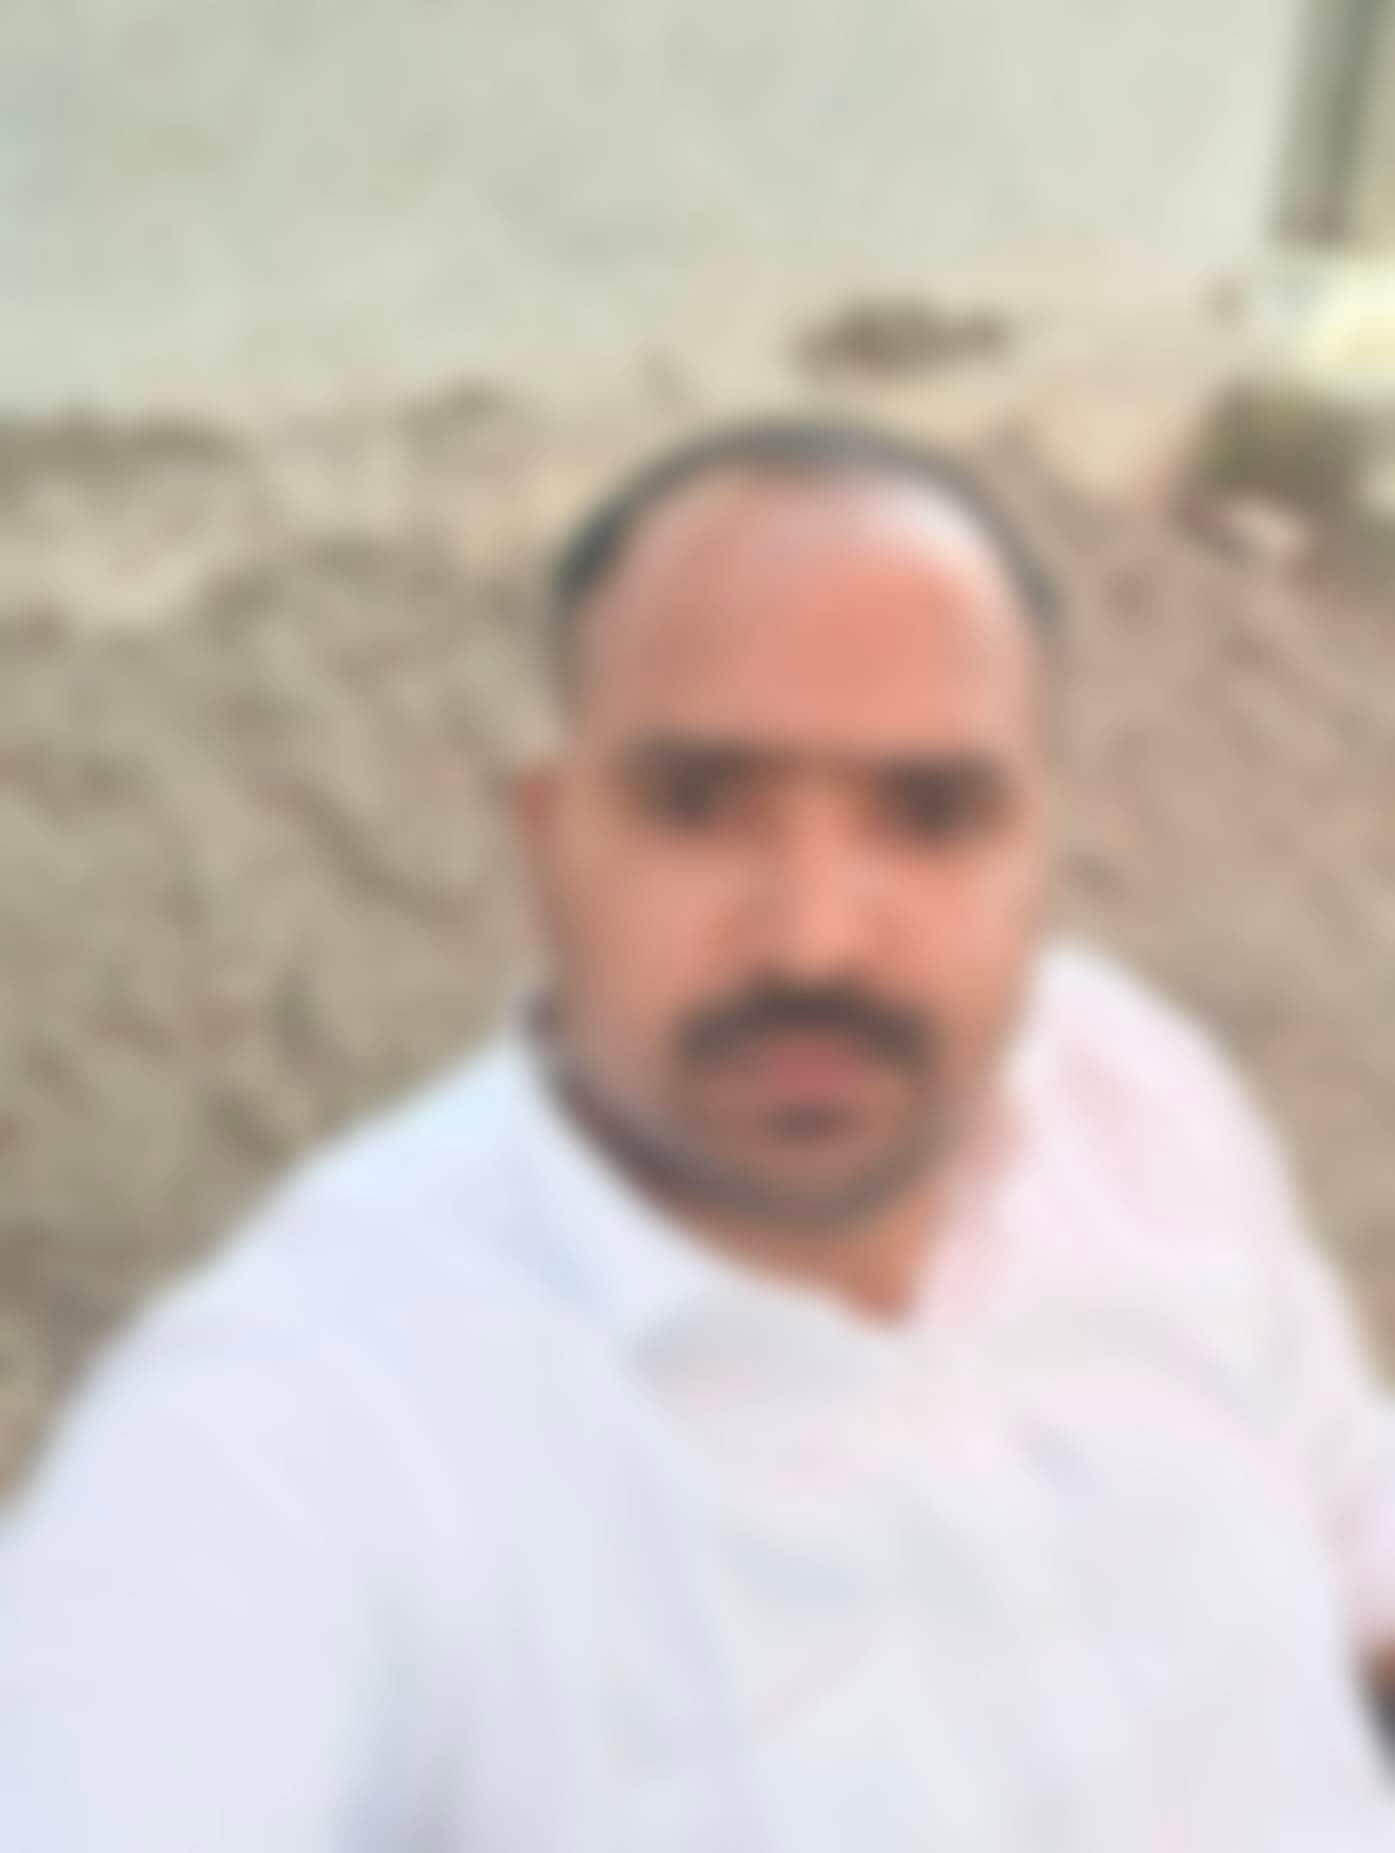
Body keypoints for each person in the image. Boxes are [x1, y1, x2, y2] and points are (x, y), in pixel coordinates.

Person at [2, 416, 1394, 1852]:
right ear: (550, 840)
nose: (814, 936)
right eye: (697, 807)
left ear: (1041, 845)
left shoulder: (1127, 1092)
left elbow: (1348, 1512)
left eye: (930, 814)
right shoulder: (299, 1434)